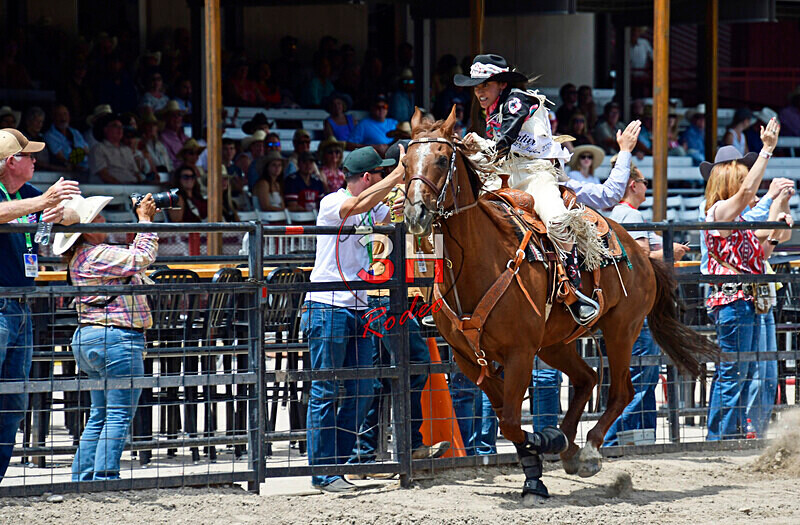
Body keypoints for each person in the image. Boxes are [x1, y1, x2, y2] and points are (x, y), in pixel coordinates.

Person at [456, 54, 641, 323]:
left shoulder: (519, 101)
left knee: (557, 220)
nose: (478, 91)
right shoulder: (495, 109)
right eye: (477, 86)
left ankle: (572, 290)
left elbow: (505, 139)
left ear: (501, 83)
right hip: (503, 175)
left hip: (536, 177)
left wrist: (624, 152)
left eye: (484, 84)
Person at [302, 146, 403, 492]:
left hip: (355, 306)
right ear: (367, 178)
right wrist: (397, 177)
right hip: (328, 304)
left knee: (363, 388)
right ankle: (324, 471)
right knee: (327, 388)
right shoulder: (333, 202)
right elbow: (355, 208)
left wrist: (395, 207)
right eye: (379, 175)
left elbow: (381, 218)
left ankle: (335, 465)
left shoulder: (369, 207)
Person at [347, 142, 450, 475]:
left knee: (380, 376)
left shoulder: (379, 200)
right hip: (391, 293)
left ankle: (368, 452)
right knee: (413, 363)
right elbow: (422, 237)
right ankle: (408, 445)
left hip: (378, 291)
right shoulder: (401, 197)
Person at [52, 193, 158, 481]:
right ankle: (105, 477)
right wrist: (145, 221)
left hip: (91, 336)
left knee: (101, 413)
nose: (104, 220)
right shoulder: (97, 254)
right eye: (97, 217)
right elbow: (142, 257)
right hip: (117, 337)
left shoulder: (82, 256)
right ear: (86, 228)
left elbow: (134, 260)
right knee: (118, 413)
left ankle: (84, 476)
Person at [0, 129, 81, 483]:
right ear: (10, 161)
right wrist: (43, 203)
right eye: (28, 155)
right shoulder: (30, 197)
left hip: (20, 308)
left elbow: (67, 217)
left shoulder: (30, 194)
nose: (35, 160)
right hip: (3, 306)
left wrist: (69, 209)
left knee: (14, 404)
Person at [702, 120, 790, 441]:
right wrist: (767, 149)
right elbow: (748, 192)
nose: (747, 184)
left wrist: (779, 210)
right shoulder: (719, 212)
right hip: (734, 300)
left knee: (742, 371)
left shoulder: (733, 217)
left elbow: (764, 250)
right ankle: (721, 438)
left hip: (744, 300)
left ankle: (729, 433)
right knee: (735, 373)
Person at [602, 166, 689, 446]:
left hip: (625, 305)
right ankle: (616, 437)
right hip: (636, 305)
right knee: (642, 375)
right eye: (642, 181)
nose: (645, 185)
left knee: (639, 374)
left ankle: (636, 436)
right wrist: (669, 253)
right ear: (632, 185)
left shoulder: (618, 214)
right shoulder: (631, 215)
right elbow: (640, 255)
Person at [89, 114, 142, 184]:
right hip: (110, 190)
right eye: (115, 126)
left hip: (133, 189)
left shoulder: (127, 150)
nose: (120, 129)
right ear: (105, 129)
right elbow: (104, 175)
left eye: (121, 127)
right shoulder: (98, 149)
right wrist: (123, 186)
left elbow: (136, 173)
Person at [44, 104, 90, 172]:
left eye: (65, 114)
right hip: (65, 172)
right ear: (53, 117)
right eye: (59, 115)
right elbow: (60, 157)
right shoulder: (49, 135)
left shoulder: (75, 132)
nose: (63, 118)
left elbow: (87, 150)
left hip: (86, 169)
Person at [20, 107, 60, 172]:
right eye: (36, 121)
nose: (39, 124)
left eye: (41, 122)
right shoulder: (22, 138)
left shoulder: (43, 138)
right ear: (28, 121)